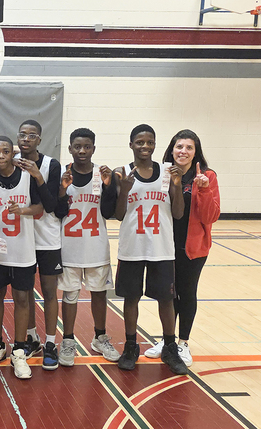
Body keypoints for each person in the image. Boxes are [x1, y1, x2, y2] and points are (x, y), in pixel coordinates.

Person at [114, 124, 188, 375]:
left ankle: (169, 347)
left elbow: (178, 213)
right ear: (131, 144)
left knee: (166, 299)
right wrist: (124, 189)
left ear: (155, 145)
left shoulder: (169, 171)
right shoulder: (122, 172)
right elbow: (119, 214)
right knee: (131, 297)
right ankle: (131, 346)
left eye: (150, 142)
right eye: (139, 142)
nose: (145, 146)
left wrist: (176, 187)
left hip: (162, 248)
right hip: (132, 247)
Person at [145, 129, 220, 367]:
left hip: (192, 248)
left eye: (189, 147)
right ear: (171, 149)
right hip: (165, 245)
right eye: (179, 146)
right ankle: (167, 341)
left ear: (196, 152)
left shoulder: (207, 176)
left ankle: (183, 342)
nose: (183, 151)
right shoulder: (163, 173)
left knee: (186, 294)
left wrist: (205, 188)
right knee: (167, 294)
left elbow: (211, 216)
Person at [53, 128, 120, 367]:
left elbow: (108, 212)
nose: (82, 151)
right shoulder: (62, 174)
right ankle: (68, 340)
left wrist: (110, 186)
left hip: (96, 246)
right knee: (70, 295)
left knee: (99, 294)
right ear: (70, 149)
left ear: (94, 148)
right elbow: (58, 212)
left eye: (87, 147)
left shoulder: (102, 175)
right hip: (69, 246)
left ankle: (99, 337)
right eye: (77, 147)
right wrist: (62, 189)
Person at [0, 137, 42, 379]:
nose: (1, 155)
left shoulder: (27, 175)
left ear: (12, 152)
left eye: (6, 151)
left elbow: (40, 207)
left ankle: (18, 349)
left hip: (23, 250)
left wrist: (24, 210)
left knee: (22, 298)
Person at [15, 119, 62, 370]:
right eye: (22, 134)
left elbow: (52, 205)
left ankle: (51, 342)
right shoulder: (10, 162)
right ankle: (31, 337)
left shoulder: (51, 165)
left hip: (46, 237)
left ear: (39, 140)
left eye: (31, 135)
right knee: (24, 291)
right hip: (21, 236)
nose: (26, 139)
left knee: (49, 291)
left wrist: (37, 177)